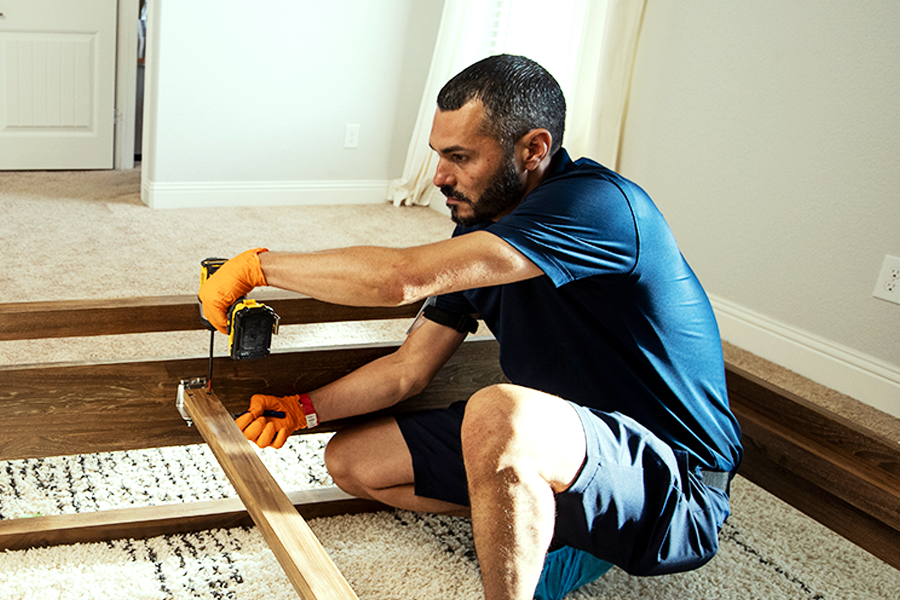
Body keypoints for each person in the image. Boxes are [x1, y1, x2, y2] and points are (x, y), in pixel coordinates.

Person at [199, 54, 743, 600]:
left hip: (671, 484)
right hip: (564, 447)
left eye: (459, 157)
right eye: (438, 154)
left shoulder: (598, 206)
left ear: (533, 149)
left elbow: (400, 279)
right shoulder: (478, 241)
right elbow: (408, 370)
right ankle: (544, 516)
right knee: (354, 462)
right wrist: (304, 408)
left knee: (497, 411)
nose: (439, 176)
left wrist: (259, 267)